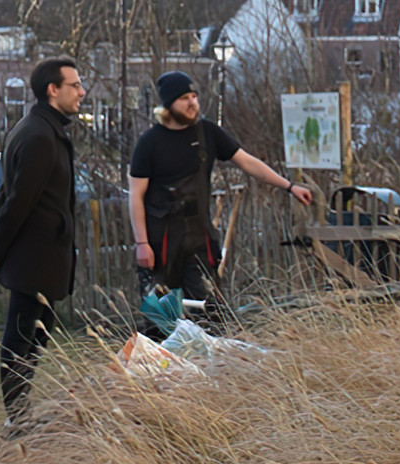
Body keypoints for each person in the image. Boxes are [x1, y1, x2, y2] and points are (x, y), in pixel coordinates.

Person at [129, 70, 314, 320]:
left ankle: (211, 357)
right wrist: (142, 244)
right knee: (161, 320)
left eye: (194, 96)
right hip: (160, 240)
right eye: (185, 97)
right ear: (168, 105)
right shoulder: (149, 143)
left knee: (210, 315)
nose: (192, 102)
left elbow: (248, 163)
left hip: (198, 238)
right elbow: (136, 196)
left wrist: (289, 186)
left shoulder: (207, 133)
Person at [0, 58, 81, 423]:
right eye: (74, 85)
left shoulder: (42, 129)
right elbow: (17, 201)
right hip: (35, 261)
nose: (81, 92)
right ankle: (17, 420)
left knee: (32, 343)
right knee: (21, 343)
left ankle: (21, 416)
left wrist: (0, 251)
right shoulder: (38, 135)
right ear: (53, 89)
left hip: (39, 259)